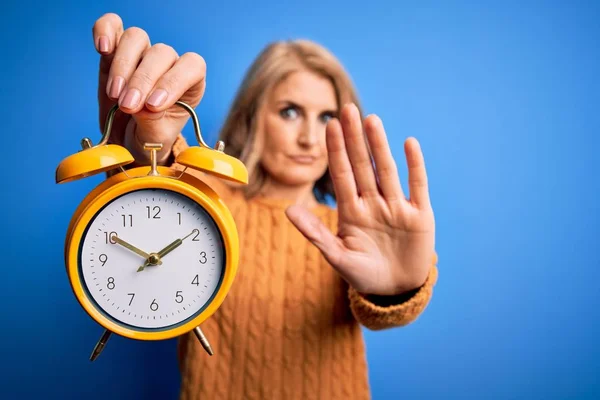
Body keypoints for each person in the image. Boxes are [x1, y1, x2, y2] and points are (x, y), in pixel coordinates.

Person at [92, 12, 438, 400]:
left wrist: (398, 288)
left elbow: (385, 305)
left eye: (326, 116)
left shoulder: (353, 234)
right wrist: (146, 133)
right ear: (253, 117)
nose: (309, 137)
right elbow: (156, 187)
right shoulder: (207, 207)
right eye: (289, 111)